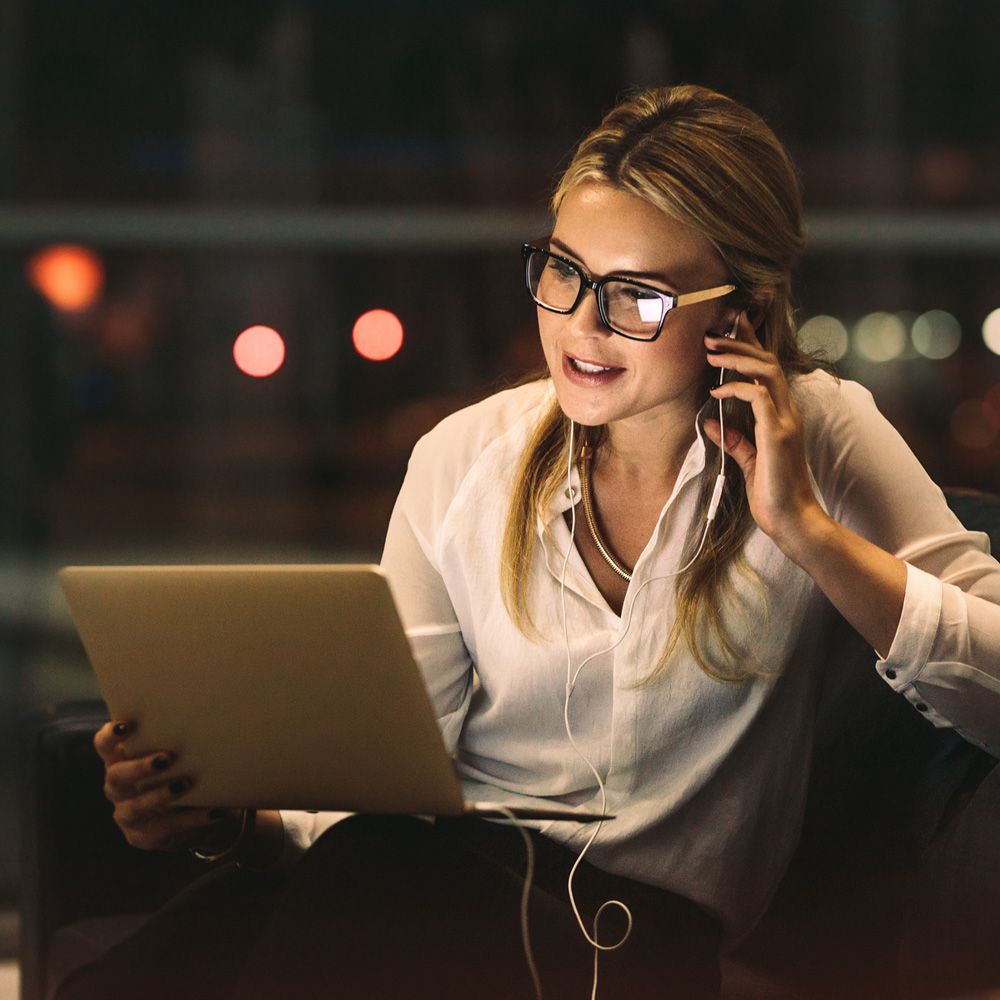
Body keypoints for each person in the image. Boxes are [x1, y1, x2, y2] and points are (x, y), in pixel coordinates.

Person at [62, 84, 1000, 999]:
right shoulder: (467, 456)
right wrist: (228, 823)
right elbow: (383, 788)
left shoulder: (822, 434)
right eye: (563, 272)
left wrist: (806, 532)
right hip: (414, 877)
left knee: (368, 884)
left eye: (636, 295)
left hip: (626, 936)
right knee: (126, 979)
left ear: (739, 311)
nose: (581, 326)